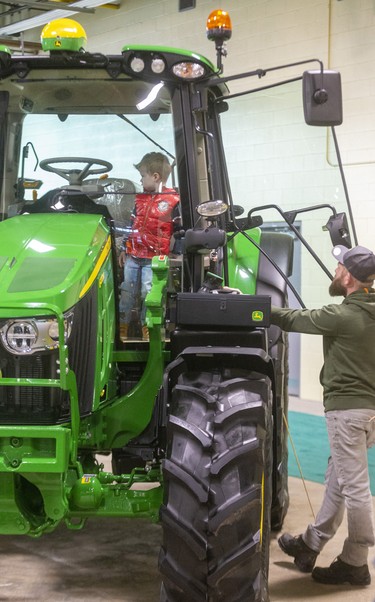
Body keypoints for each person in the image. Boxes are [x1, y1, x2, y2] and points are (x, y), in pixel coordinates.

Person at [272, 244, 375, 587]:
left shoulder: (342, 316)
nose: (335, 271)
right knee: (338, 478)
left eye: (338, 267)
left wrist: (253, 307)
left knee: (356, 488)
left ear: (348, 276)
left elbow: (293, 319)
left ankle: (355, 562)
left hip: (346, 412)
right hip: (368, 413)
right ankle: (311, 544)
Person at [118, 152, 180, 340]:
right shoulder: (139, 199)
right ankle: (122, 326)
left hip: (154, 258)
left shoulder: (172, 200)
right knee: (127, 291)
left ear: (155, 177)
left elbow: (178, 229)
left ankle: (148, 326)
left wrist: (174, 252)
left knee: (148, 292)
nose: (141, 179)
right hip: (134, 255)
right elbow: (131, 226)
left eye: (143, 175)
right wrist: (124, 249)